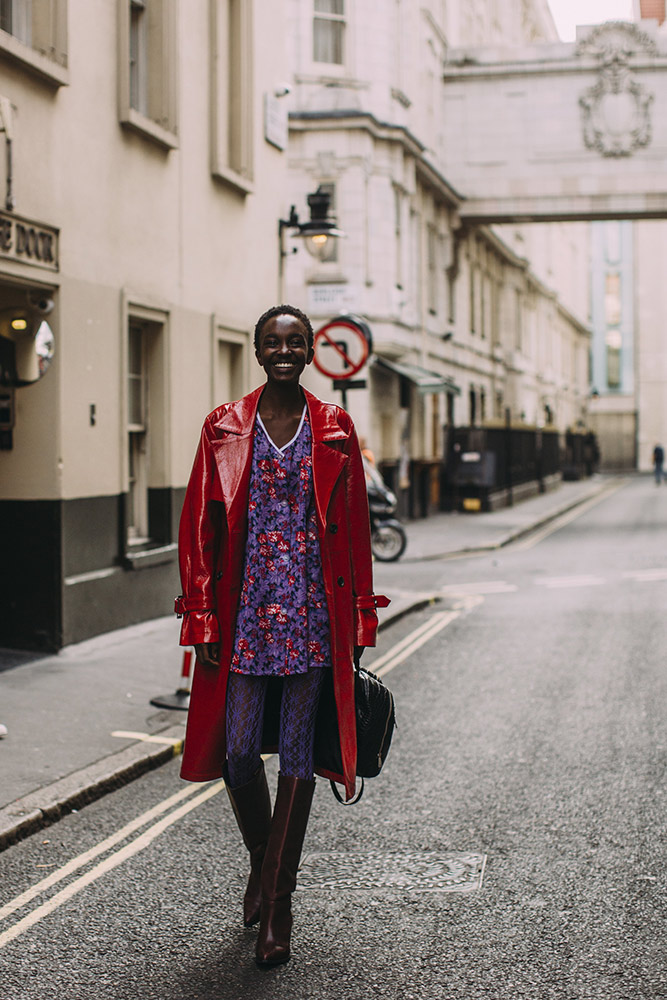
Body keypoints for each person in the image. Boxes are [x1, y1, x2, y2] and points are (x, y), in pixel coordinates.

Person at [176, 304, 388, 967]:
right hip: (243, 619)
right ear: (258, 351)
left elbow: (354, 531)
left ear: (309, 350)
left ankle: (280, 903)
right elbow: (198, 530)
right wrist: (202, 614)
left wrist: (357, 618)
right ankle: (264, 866)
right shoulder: (224, 427)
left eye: (296, 342)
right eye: (274, 342)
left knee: (295, 760)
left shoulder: (333, 427)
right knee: (238, 755)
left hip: (309, 618)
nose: (285, 351)